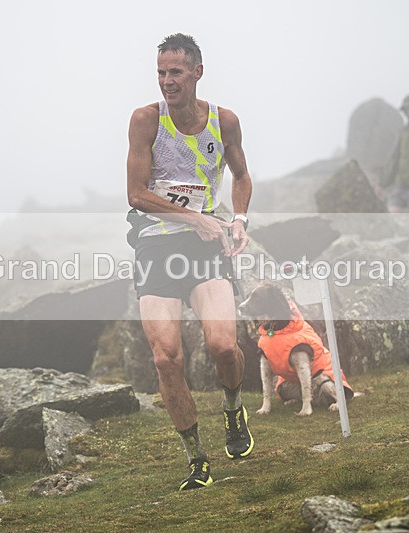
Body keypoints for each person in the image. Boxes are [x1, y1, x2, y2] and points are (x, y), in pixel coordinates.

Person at [126, 33, 254, 491]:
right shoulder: (145, 120)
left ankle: (233, 407)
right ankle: (196, 458)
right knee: (166, 358)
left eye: (175, 72)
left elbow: (240, 176)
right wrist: (191, 217)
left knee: (223, 346)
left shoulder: (225, 121)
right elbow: (136, 194)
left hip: (206, 248)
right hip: (156, 247)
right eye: (161, 72)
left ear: (197, 72)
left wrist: (237, 219)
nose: (166, 81)